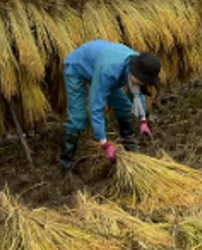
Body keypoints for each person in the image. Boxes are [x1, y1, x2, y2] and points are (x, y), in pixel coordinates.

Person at [60, 40, 161, 179]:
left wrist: (143, 121)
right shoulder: (110, 72)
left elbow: (137, 92)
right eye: (142, 80)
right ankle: (66, 166)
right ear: (134, 73)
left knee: (124, 106)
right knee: (78, 119)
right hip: (77, 68)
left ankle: (131, 147)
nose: (143, 83)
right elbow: (96, 106)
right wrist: (105, 145)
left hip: (99, 65)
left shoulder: (139, 63)